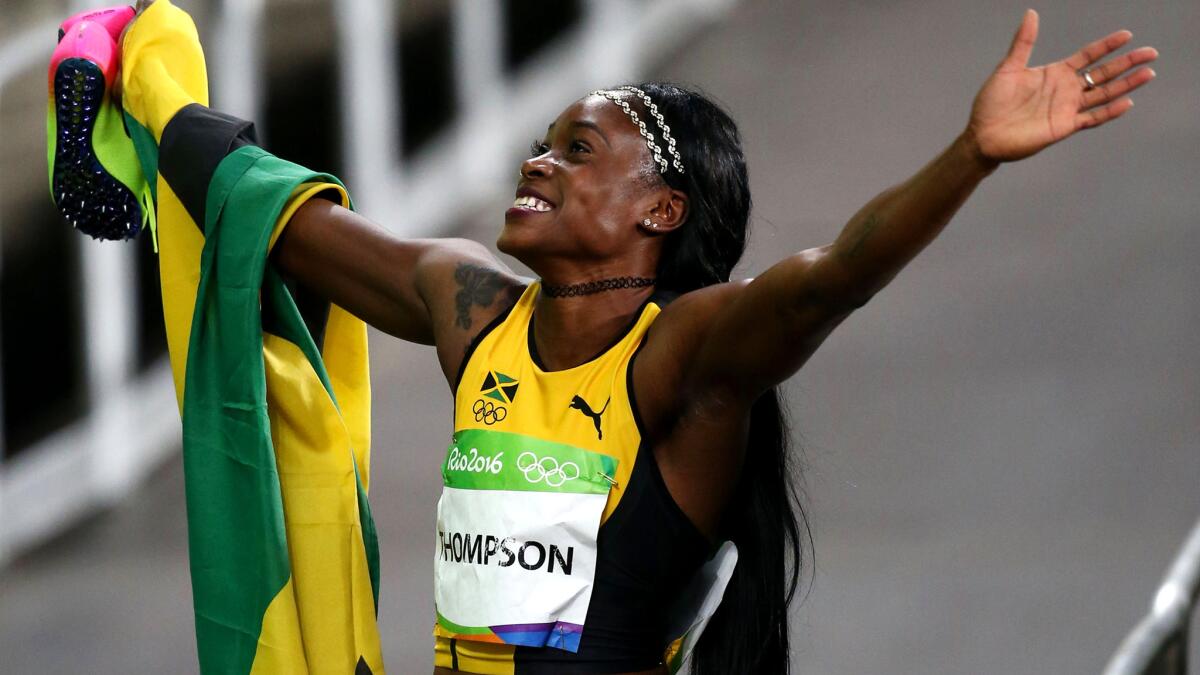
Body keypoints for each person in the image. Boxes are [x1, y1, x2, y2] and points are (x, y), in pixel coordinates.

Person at [56, 2, 1160, 673]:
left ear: (660, 210)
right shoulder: (472, 306)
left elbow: (832, 281)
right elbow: (289, 223)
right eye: (543, 142)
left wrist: (970, 156)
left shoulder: (684, 360)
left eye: (578, 150)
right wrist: (143, 88)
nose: (537, 162)